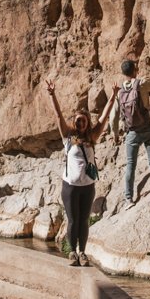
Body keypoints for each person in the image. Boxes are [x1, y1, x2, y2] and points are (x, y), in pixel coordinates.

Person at [46, 79, 118, 266]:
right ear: (74, 122)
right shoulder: (68, 137)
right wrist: (52, 94)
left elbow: (104, 116)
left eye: (83, 121)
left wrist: (113, 95)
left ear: (87, 123)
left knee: (84, 220)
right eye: (77, 121)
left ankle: (83, 253)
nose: (80, 123)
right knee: (72, 220)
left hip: (87, 186)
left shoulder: (92, 137)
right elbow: (58, 115)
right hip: (70, 186)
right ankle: (72, 253)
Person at [110, 53, 150, 206]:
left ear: (123, 73)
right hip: (148, 127)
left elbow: (113, 116)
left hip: (132, 133)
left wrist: (115, 135)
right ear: (135, 70)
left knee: (130, 166)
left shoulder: (119, 92)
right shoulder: (141, 84)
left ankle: (128, 199)